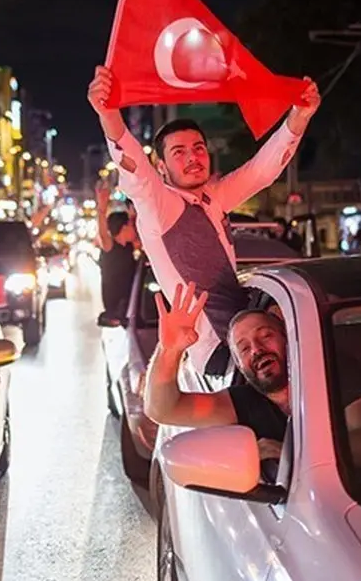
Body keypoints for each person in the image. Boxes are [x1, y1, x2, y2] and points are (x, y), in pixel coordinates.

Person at [87, 66, 321, 377]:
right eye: (179, 152)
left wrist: (300, 115)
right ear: (162, 166)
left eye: (198, 149)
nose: (193, 158)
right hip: (219, 358)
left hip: (248, 340)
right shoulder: (162, 207)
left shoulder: (213, 198)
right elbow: (137, 173)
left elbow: (262, 170)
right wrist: (109, 115)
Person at [144, 283, 361, 474]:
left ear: (288, 339)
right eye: (243, 348)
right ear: (239, 366)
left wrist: (287, 452)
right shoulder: (243, 403)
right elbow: (163, 409)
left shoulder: (337, 375)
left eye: (265, 335)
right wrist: (170, 350)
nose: (257, 349)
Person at [95, 180, 140, 325]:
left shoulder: (129, 247)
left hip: (133, 309)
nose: (134, 229)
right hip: (118, 314)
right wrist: (102, 206)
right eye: (130, 225)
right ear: (123, 228)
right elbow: (103, 232)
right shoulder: (110, 248)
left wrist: (134, 215)